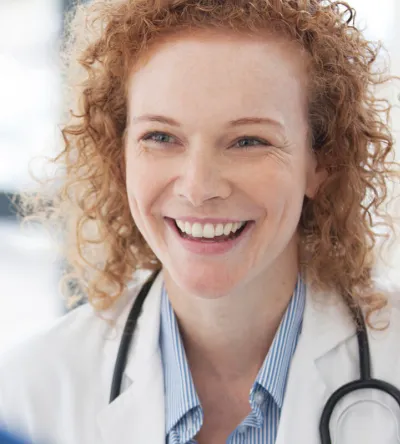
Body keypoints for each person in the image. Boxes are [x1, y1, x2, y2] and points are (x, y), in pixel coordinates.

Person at [0, 0, 399, 443]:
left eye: (249, 140)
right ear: (120, 155)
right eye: (161, 137)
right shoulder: (27, 395)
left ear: (320, 162)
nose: (198, 186)